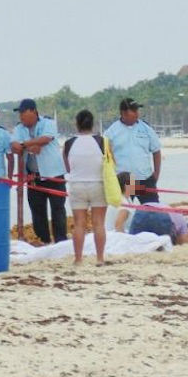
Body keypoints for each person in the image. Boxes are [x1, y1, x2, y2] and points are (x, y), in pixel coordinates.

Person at [10, 98, 67, 244]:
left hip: (53, 174)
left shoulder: (48, 123)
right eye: (20, 113)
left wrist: (24, 144)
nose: (21, 116)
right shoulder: (19, 128)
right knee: (37, 210)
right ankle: (44, 241)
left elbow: (45, 139)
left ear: (33, 111)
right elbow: (15, 147)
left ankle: (61, 241)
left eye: (23, 112)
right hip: (33, 176)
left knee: (58, 209)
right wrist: (29, 146)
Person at [63, 110, 108, 266]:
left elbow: (68, 167)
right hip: (98, 184)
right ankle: (100, 258)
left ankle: (78, 258)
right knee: (99, 223)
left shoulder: (69, 144)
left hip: (77, 185)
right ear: (93, 123)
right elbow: (110, 163)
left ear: (77, 124)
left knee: (79, 223)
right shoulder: (102, 141)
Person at [104, 97, 161, 204]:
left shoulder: (146, 128)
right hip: (124, 182)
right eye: (133, 111)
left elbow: (156, 151)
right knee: (122, 213)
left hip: (144, 180)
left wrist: (156, 174)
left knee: (152, 211)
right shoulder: (111, 132)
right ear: (123, 113)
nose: (137, 113)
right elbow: (106, 156)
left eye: (137, 110)